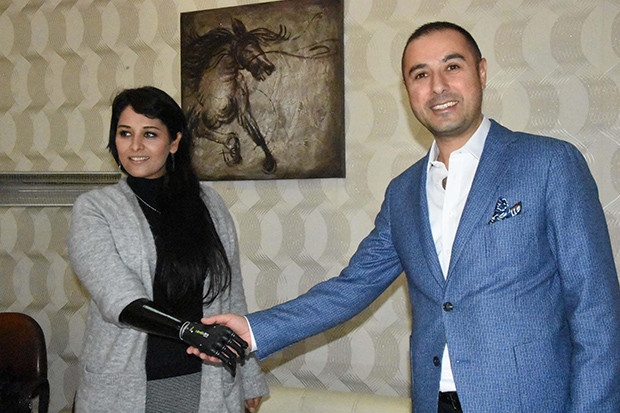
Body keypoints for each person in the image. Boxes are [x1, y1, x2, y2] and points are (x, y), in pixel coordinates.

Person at [194, 22, 620, 412]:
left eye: (452, 66)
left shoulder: (548, 164)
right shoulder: (403, 192)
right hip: (435, 401)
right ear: (408, 90)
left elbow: (597, 312)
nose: (438, 86)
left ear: (481, 72)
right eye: (420, 75)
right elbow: (352, 288)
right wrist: (252, 330)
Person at [68, 86, 267, 413]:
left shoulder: (209, 205)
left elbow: (232, 297)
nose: (135, 146)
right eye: (125, 133)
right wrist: (191, 331)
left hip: (207, 382)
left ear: (174, 142)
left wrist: (250, 376)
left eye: (149, 134)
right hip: (126, 389)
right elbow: (119, 299)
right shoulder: (94, 209)